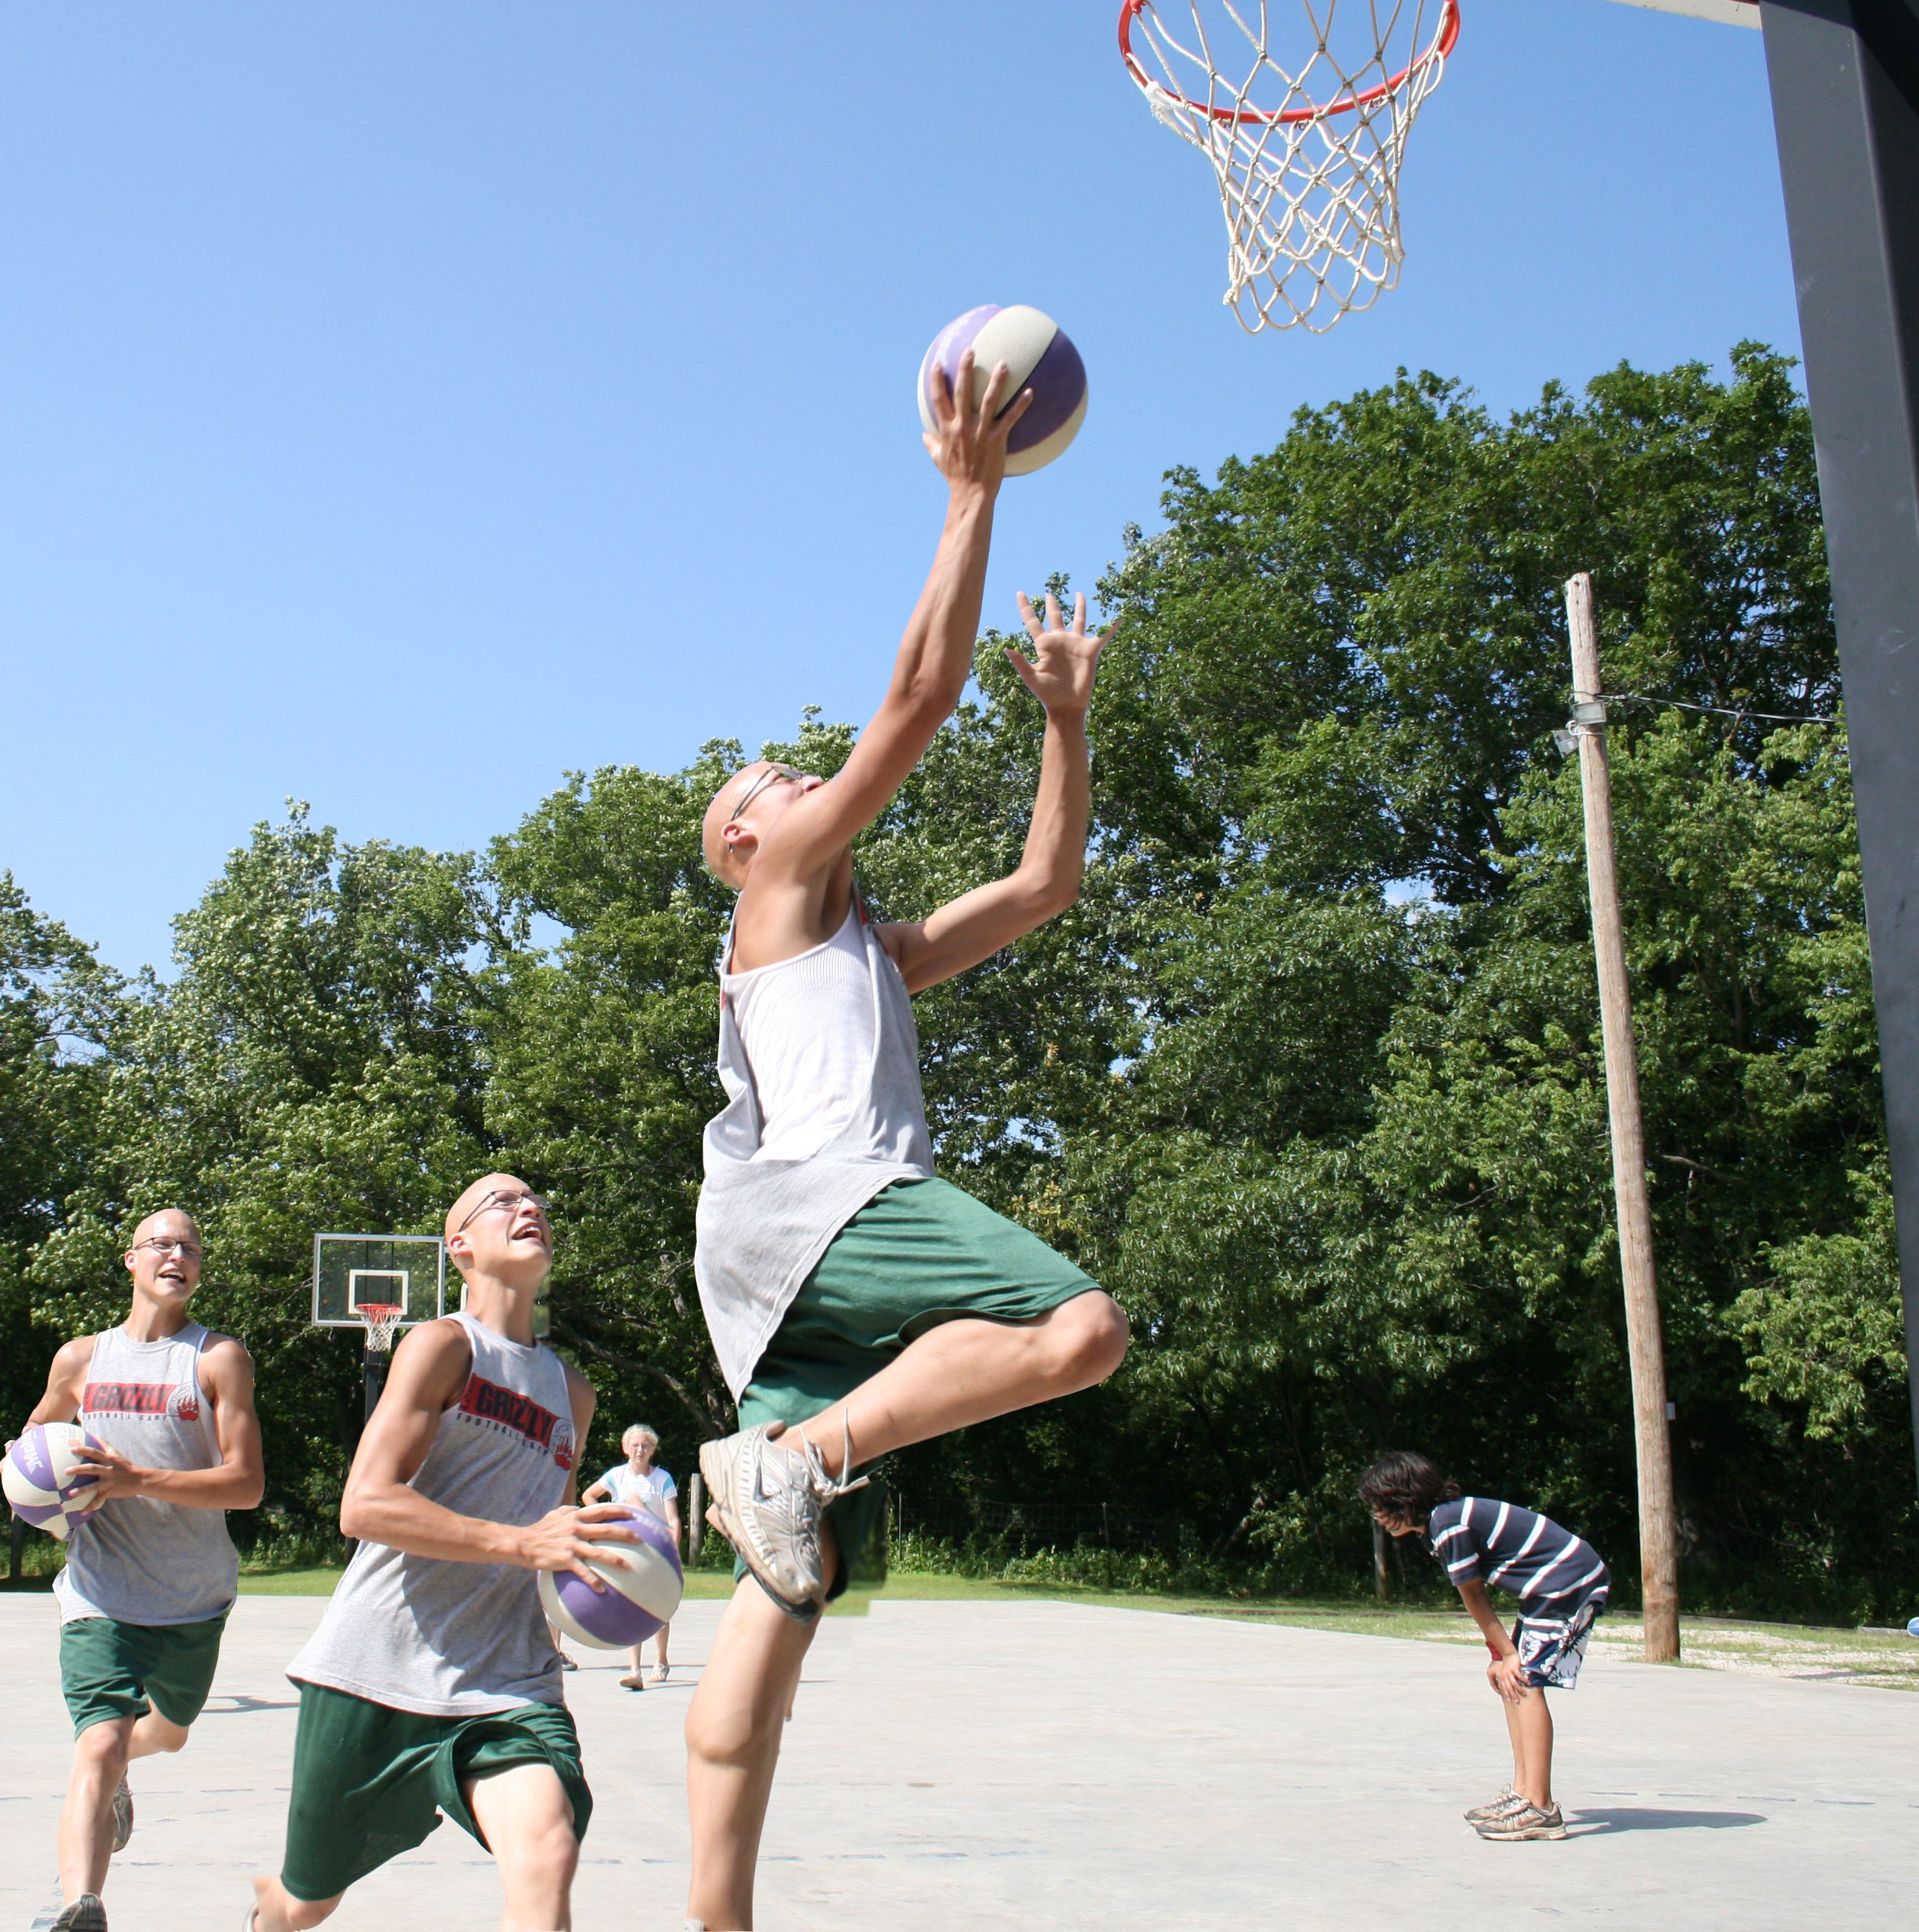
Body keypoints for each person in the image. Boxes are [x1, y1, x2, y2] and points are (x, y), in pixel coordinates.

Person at [680, 353, 1131, 1931]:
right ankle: (793, 1453)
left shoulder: (859, 946)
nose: (798, 786)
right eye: (771, 785)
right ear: (745, 840)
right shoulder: (782, 884)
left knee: (779, 1602)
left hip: (773, 1263)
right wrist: (970, 490)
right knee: (1080, 1325)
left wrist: (1065, 722)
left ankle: (713, 1916)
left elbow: (1043, 889)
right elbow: (917, 702)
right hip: (829, 1209)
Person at [253, 1173, 634, 1932]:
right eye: (504, 1201)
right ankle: (267, 1913)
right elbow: (364, 1503)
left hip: (507, 1681)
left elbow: (550, 1539)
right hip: (376, 1670)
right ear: (459, 1246)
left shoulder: (573, 1394)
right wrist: (520, 1543)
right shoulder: (441, 1345)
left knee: (545, 1850)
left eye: (537, 1204)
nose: (530, 1209)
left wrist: (606, 1558)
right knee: (306, 1902)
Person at [28, 1208, 266, 1932]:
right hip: (99, 1590)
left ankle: (127, 1771)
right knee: (97, 1742)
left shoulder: (216, 1359)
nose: (177, 1254)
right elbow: (34, 1446)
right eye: (161, 1243)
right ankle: (81, 1906)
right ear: (129, 1261)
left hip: (193, 1600)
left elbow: (247, 1484)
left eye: (190, 1246)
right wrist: (38, 1487)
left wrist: (137, 1480)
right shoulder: (80, 1361)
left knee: (166, 1733)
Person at [1359, 1449, 1610, 1842]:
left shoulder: (1448, 1524)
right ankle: (1523, 1794)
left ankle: (1541, 1809)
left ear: (1405, 1499)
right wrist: (1500, 1657)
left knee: (1524, 1682)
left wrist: (1509, 1655)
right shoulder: (1439, 1525)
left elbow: (1474, 1596)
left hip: (1567, 1582)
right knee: (1513, 1682)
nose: (1377, 1515)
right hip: (1547, 1589)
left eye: (1382, 1506)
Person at [581, 1424, 680, 1690]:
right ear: (625, 1449)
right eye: (635, 1445)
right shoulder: (617, 1476)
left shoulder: (662, 1479)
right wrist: (609, 1514)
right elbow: (589, 1495)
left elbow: (673, 1519)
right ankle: (634, 1671)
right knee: (632, 1606)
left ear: (653, 1450)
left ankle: (661, 1661)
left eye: (645, 1446)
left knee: (660, 1608)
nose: (640, 1450)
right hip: (628, 1550)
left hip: (657, 1550)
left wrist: (674, 1549)